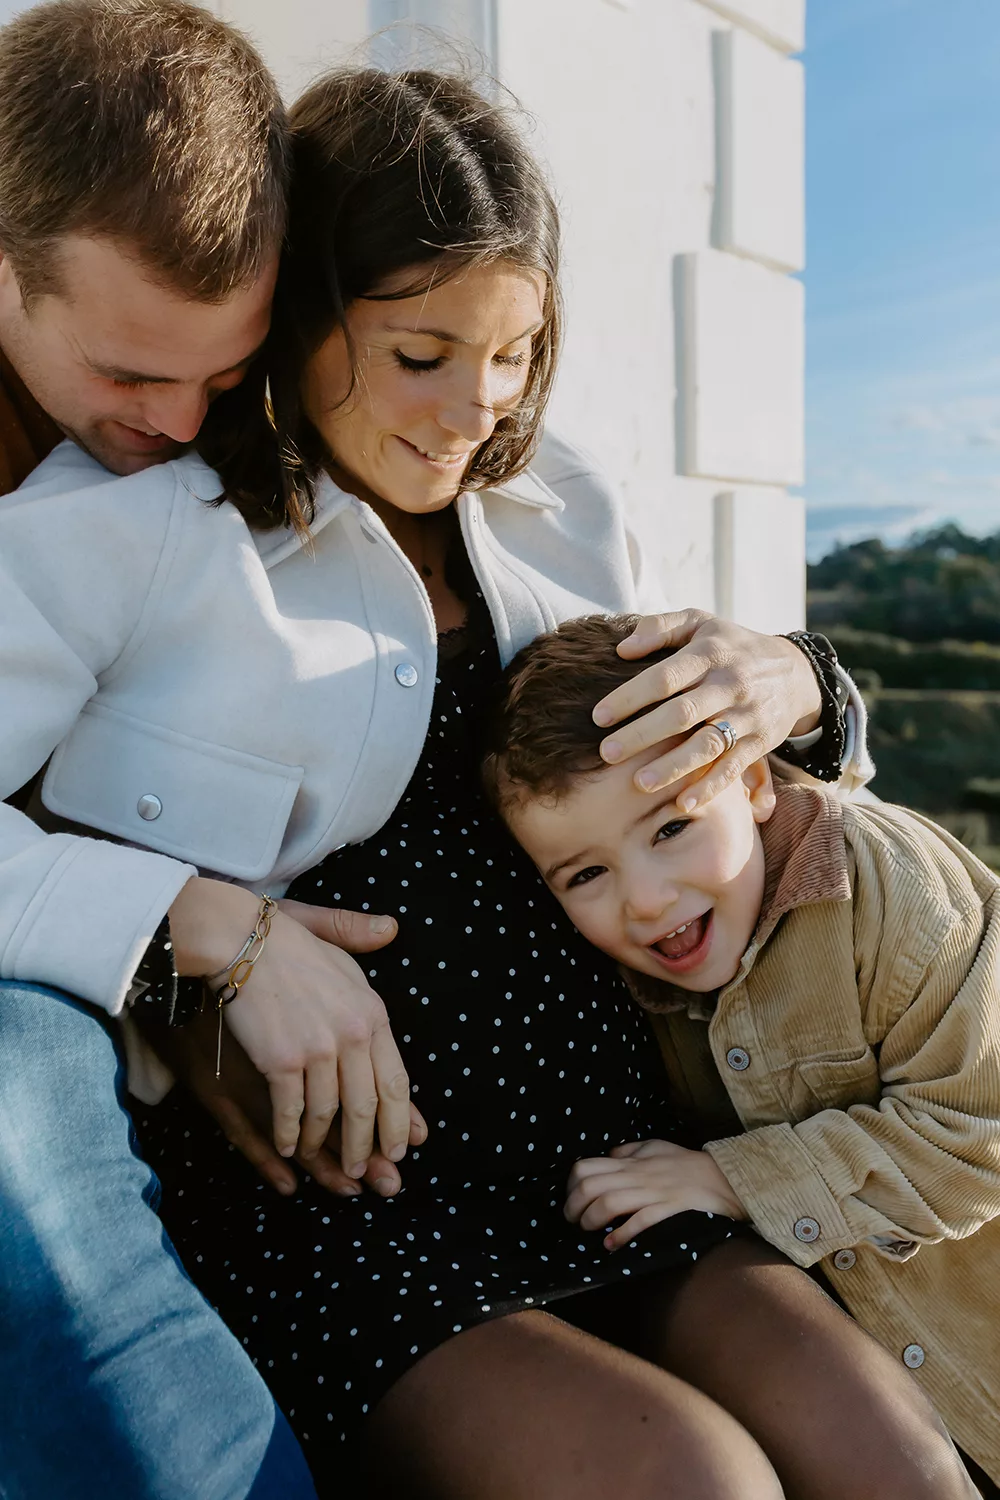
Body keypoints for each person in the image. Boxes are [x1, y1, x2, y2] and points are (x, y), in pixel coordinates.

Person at [0, 59, 974, 1499]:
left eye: (514, 352)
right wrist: (189, 920)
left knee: (895, 1460)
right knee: (696, 1486)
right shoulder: (130, 526)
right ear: (305, 314)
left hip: (616, 1152)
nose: (475, 406)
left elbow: (701, 783)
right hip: (355, 1202)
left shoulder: (567, 504)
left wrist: (802, 684)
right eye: (420, 354)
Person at [0, 0, 320, 1493]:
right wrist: (188, 920)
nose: (180, 421)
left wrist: (798, 678)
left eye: (222, 373)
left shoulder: (216, 432)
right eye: (133, 374)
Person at [483, 609, 1000, 1497]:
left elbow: (979, 1134)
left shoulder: (891, 889)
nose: (645, 901)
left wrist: (731, 1178)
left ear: (754, 782)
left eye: (670, 827)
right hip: (887, 1405)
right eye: (586, 874)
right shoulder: (651, 970)